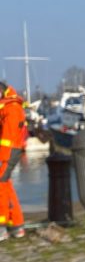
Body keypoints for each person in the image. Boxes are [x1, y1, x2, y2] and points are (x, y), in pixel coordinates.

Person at [0, 82, 26, 241]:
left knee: (1, 188)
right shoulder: (7, 107)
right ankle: (17, 226)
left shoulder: (12, 108)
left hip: (7, 153)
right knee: (6, 185)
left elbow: (8, 139)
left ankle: (2, 228)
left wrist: (3, 158)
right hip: (8, 152)